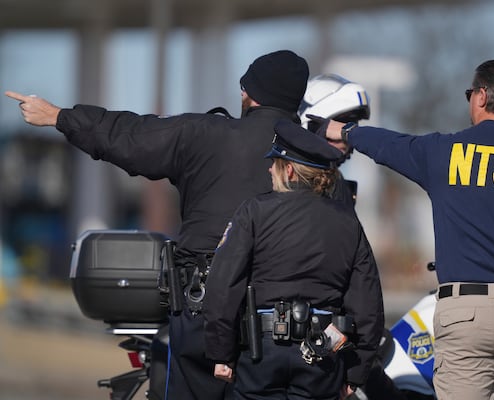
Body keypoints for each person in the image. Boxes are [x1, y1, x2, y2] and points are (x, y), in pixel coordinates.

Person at [5, 49, 310, 400]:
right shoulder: (317, 160)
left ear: (249, 93)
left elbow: (131, 136)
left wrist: (59, 116)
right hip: (287, 325)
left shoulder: (205, 134)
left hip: (203, 309)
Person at [320, 59, 494, 400]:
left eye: (469, 93)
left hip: (462, 314)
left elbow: (390, 145)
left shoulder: (443, 153)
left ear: (482, 96)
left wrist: (346, 132)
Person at [202, 120, 385, 400]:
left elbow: (223, 284)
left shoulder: (254, 212)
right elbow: (367, 303)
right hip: (323, 353)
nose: (268, 170)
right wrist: (356, 372)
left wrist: (220, 352)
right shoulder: (348, 223)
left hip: (259, 351)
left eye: (273, 164)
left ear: (288, 169)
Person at [299, 73, 371, 207]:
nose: (342, 134)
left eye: (351, 126)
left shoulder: (336, 188)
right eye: (337, 124)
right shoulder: (290, 182)